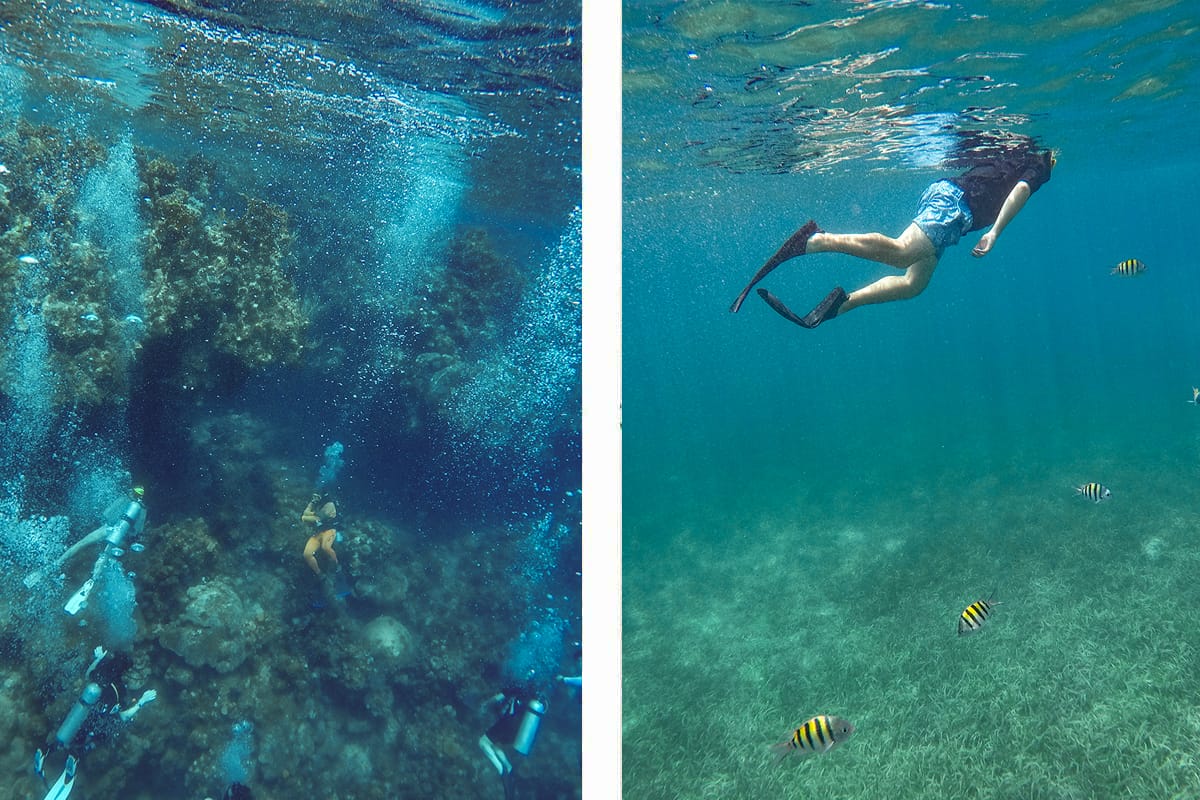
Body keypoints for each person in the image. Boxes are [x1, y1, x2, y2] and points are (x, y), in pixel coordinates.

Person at [730, 133, 1055, 328]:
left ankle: (843, 304)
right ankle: (816, 240)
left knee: (915, 283)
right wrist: (996, 232)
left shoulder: (1014, 154)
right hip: (955, 206)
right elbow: (1019, 192)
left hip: (952, 207)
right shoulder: (1039, 161)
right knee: (902, 254)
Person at [33, 646, 157, 800]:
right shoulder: (120, 690)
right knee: (90, 742)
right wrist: (141, 702)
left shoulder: (101, 674)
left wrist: (98, 659)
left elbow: (87, 675)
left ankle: (46, 751)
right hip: (96, 725)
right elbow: (123, 716)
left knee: (65, 738)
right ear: (125, 671)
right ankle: (74, 758)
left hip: (81, 713)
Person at [478, 687, 547, 800]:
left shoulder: (516, 685)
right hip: (518, 730)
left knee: (483, 742)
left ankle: (502, 771)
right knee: (495, 745)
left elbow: (496, 699)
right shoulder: (532, 692)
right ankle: (509, 769)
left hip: (508, 723)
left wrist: (484, 705)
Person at [301, 491, 339, 575]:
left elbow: (318, 517)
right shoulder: (316, 504)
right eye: (314, 496)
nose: (315, 498)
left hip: (329, 530)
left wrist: (304, 517)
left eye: (317, 496)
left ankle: (336, 564)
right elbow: (305, 513)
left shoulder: (330, 505)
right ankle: (319, 574)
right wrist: (311, 503)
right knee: (307, 554)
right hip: (318, 532)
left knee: (325, 547)